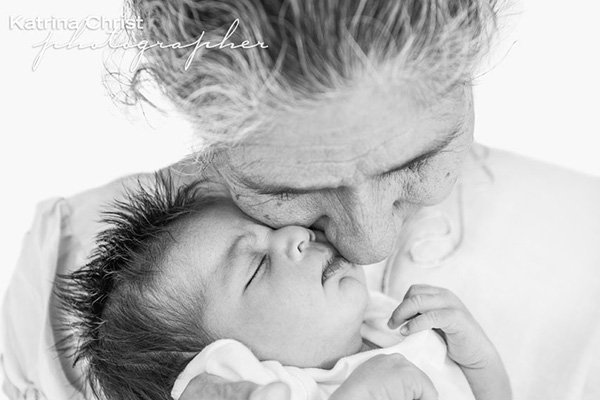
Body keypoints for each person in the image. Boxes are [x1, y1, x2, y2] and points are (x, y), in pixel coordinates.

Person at [2, 0, 600, 399]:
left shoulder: (584, 254)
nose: (367, 244)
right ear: (203, 131)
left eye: (417, 163)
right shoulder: (68, 278)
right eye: (287, 192)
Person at [56, 175, 511, 400]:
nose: (297, 235)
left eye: (275, 226)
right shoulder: (286, 389)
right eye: (256, 267)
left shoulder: (385, 321)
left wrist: (479, 360)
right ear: (226, 363)